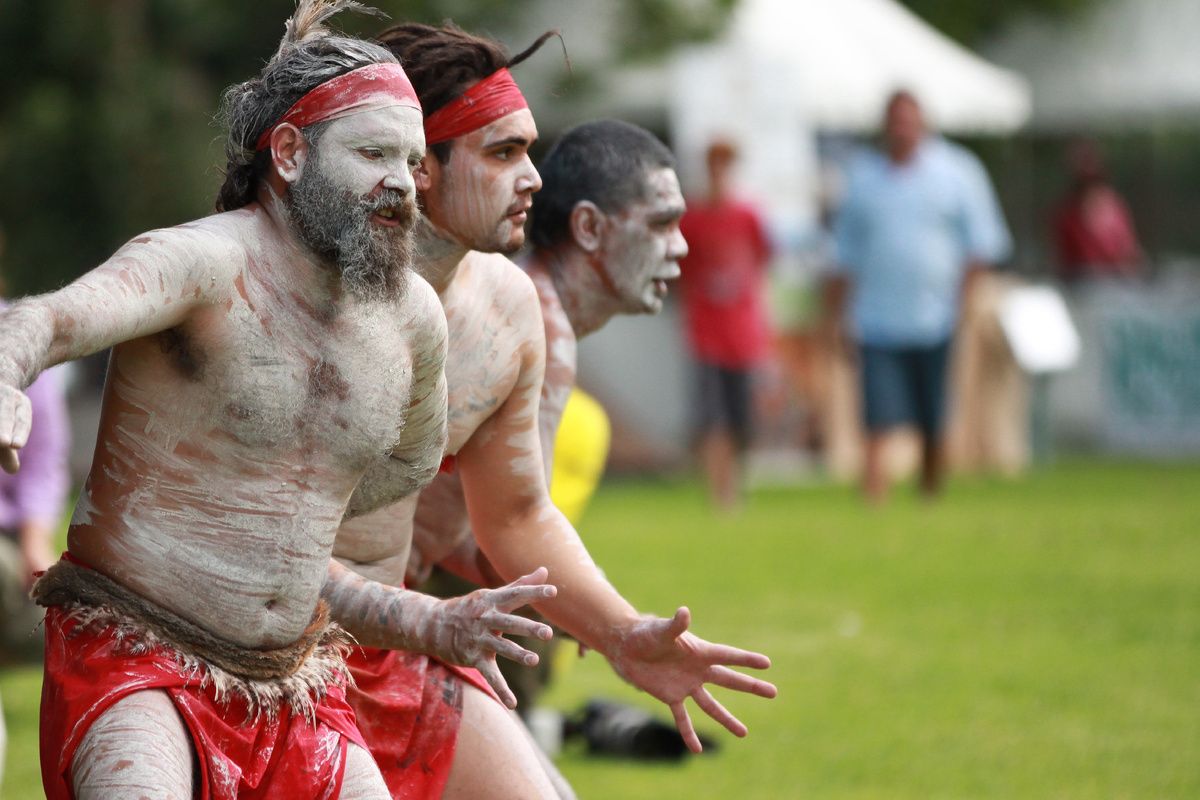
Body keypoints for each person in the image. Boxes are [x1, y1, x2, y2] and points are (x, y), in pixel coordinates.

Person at [0, 4, 550, 797]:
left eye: (410, 160)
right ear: (289, 152)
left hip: (297, 680)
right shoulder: (201, 265)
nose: (400, 182)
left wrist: (430, 620)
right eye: (372, 154)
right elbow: (42, 318)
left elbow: (364, 492)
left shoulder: (409, 321)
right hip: (136, 656)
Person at [328, 25, 776, 799]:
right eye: (503, 153)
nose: (681, 249)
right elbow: (488, 540)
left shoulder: (507, 309)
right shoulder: (302, 290)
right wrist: (553, 613)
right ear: (419, 168)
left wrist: (612, 627)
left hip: (403, 624)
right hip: (318, 629)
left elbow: (518, 515)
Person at [409, 117, 691, 718]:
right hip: (367, 611)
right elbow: (508, 534)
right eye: (662, 224)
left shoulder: (515, 298)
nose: (681, 246)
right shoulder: (540, 326)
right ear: (588, 227)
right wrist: (608, 624)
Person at [826, 89, 1012, 503]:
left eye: (909, 121)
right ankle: (873, 494)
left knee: (933, 415)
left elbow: (983, 245)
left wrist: (963, 300)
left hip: (937, 317)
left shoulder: (958, 172)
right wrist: (837, 315)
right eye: (895, 121)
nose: (902, 130)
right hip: (876, 318)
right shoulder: (863, 178)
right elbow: (844, 254)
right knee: (877, 414)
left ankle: (930, 492)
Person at [677, 140, 774, 512]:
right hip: (706, 333)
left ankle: (735, 480)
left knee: (742, 418)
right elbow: (683, 274)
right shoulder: (694, 219)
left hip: (743, 333)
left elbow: (763, 262)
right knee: (713, 415)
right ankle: (722, 493)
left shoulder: (748, 216)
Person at [1052, 138, 1143, 286]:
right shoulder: (1066, 214)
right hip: (1083, 287)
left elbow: (1130, 252)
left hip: (1119, 287)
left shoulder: (1114, 206)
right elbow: (1064, 261)